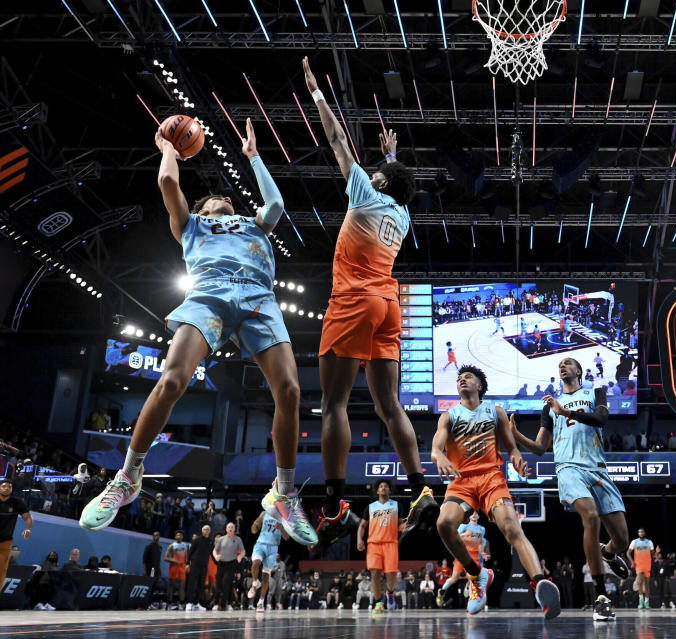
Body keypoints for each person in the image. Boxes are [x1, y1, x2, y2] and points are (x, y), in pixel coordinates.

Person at [79, 120, 316, 548]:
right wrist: (168, 146)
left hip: (258, 299)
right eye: (215, 199)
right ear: (204, 210)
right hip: (207, 298)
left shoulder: (253, 224)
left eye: (227, 197)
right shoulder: (191, 225)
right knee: (172, 380)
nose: (224, 197)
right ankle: (128, 477)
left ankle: (283, 494)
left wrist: (254, 157)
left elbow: (277, 203)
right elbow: (169, 181)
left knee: (291, 392)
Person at [301, 57, 437, 549]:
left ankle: (336, 502)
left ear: (380, 181)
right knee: (388, 404)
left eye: (380, 171)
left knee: (333, 402)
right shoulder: (401, 215)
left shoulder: (366, 192)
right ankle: (422, 488)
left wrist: (318, 94)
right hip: (388, 303)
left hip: (354, 300)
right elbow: (396, 180)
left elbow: (338, 141)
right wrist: (394, 158)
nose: (373, 172)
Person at [432, 365, 561, 618]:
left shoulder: (496, 411)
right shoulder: (448, 416)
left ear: (479, 386)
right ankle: (476, 575)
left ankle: (540, 586)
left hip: (491, 478)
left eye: (467, 377)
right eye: (459, 378)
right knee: (444, 524)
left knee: (512, 528)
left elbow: (512, 449)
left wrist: (517, 459)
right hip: (462, 480)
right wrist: (438, 456)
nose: (462, 380)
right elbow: (437, 446)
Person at [511, 357, 630, 622]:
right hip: (568, 467)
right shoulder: (550, 405)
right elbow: (541, 448)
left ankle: (608, 553)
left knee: (622, 540)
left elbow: (602, 418)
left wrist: (566, 413)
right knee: (589, 516)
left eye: (568, 363)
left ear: (578, 371)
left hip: (598, 467)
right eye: (560, 365)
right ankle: (602, 597)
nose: (562, 366)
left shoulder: (594, 392)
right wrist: (517, 437)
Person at [357, 479, 404, 612]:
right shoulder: (371, 507)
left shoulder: (397, 505)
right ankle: (378, 603)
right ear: (377, 491)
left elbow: (400, 524)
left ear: (389, 490)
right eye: (381, 486)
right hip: (374, 544)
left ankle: (389, 593)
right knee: (375, 573)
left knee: (391, 574)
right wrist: (359, 540)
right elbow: (362, 526)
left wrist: (403, 527)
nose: (383, 488)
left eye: (386, 486)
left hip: (391, 543)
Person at [437, 511, 490, 607]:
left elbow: (481, 543)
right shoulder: (463, 526)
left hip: (475, 558)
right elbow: (454, 536)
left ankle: (472, 601)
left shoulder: (482, 529)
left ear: (478, 516)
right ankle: (441, 591)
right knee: (454, 578)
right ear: (469, 516)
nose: (474, 515)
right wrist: (465, 534)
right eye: (472, 514)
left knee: (474, 579)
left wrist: (482, 553)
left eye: (476, 514)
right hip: (463, 555)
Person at [247, 511, 289, 612]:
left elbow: (287, 537)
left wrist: (281, 529)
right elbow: (253, 530)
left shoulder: (284, 516)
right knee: (255, 563)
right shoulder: (264, 513)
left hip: (273, 547)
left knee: (266, 576)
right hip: (260, 544)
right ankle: (255, 582)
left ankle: (261, 602)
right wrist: (255, 524)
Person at [0, 478, 32, 592]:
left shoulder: (17, 502)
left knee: (2, 571)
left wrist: (28, 529)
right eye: (4, 486)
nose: (7, 488)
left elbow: (27, 517)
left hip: (5, 543)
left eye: (9, 487)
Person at [213, 522, 246, 610]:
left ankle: (225, 604)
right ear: (226, 529)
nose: (230, 528)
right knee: (218, 584)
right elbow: (215, 550)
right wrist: (216, 556)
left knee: (226, 583)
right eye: (229, 527)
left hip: (231, 564)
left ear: (234, 529)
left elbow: (243, 551)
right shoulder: (221, 539)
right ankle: (216, 603)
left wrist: (240, 556)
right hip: (221, 564)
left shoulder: (238, 539)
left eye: (232, 527)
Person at [186, 524, 214, 611]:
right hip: (195, 564)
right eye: (205, 529)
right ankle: (189, 603)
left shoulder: (210, 541)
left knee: (201, 585)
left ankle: (196, 603)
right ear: (202, 531)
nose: (206, 531)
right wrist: (187, 563)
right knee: (192, 584)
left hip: (204, 566)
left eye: (208, 529)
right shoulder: (197, 540)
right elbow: (190, 552)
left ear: (210, 531)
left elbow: (212, 554)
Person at [627, 528, 654, 608]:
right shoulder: (634, 542)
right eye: (639, 532)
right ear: (638, 533)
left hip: (647, 565)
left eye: (642, 531)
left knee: (646, 584)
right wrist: (632, 562)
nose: (641, 533)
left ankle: (646, 602)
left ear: (644, 533)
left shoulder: (649, 542)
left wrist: (656, 553)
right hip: (638, 565)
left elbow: (653, 554)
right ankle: (641, 601)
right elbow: (628, 553)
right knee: (639, 582)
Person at [164, 529, 188, 608]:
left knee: (182, 586)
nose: (179, 536)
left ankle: (181, 603)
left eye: (180, 535)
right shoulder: (171, 545)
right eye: (177, 535)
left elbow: (187, 558)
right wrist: (175, 561)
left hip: (182, 568)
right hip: (173, 567)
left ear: (182, 537)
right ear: (175, 536)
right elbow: (165, 558)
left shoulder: (185, 545)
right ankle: (169, 603)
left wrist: (187, 565)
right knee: (171, 586)